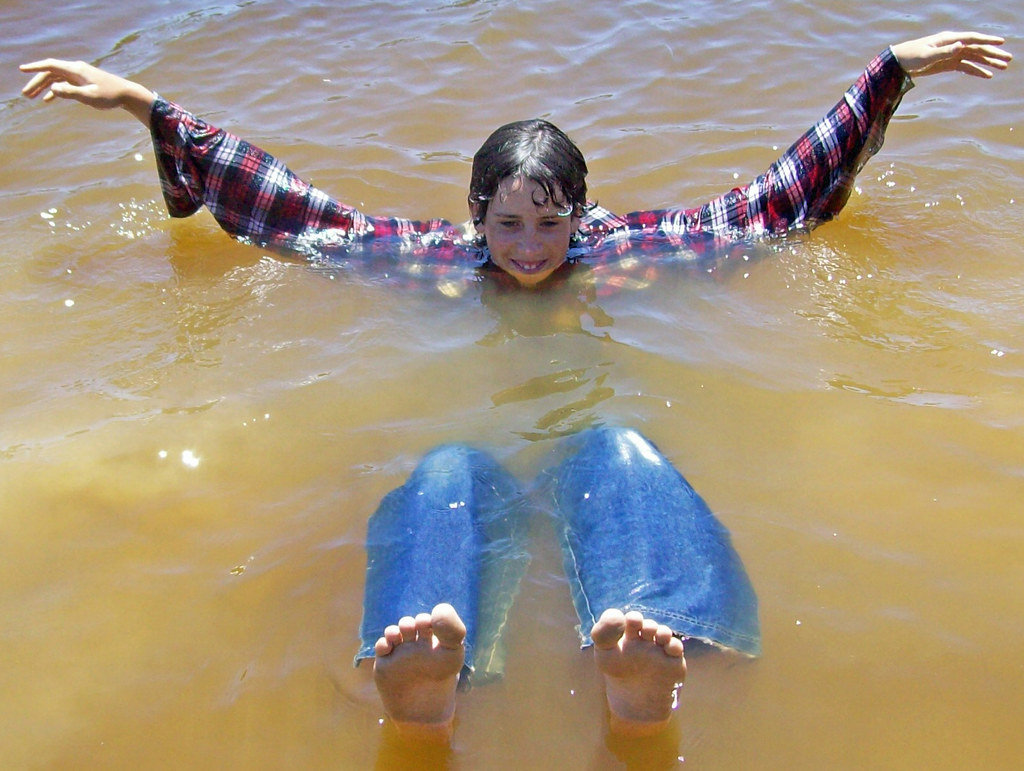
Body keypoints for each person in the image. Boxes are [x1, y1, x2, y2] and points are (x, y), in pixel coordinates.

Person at [19, 31, 1012, 741]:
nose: (529, 249)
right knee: (449, 464)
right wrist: (147, 108)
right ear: (473, 218)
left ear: (584, 214)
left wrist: (887, 76)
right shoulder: (434, 260)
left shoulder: (628, 253)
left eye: (549, 225)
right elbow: (291, 212)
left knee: (618, 448)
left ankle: (638, 678)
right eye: (506, 226)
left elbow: (772, 202)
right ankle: (424, 689)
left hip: (593, 453)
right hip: (479, 454)